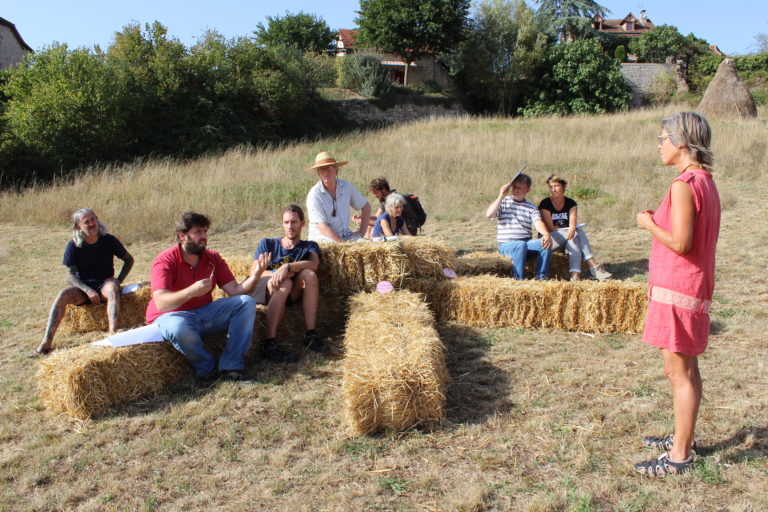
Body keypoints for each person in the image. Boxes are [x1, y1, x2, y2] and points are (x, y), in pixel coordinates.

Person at [634, 112, 720, 477]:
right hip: (691, 286)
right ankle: (682, 438)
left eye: (663, 137)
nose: (659, 144)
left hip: (678, 288)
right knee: (687, 369)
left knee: (678, 373)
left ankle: (680, 456)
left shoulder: (683, 184)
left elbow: (682, 243)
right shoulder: (705, 181)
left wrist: (649, 223)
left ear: (682, 142)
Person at [146, 212, 261, 385]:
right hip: (171, 316)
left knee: (246, 303)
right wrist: (191, 291)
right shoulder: (165, 260)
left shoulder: (212, 258)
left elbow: (235, 291)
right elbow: (161, 303)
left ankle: (231, 366)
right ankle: (206, 371)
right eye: (198, 232)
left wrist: (256, 275)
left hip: (203, 313)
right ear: (182, 235)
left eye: (205, 232)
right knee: (179, 327)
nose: (204, 237)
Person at [31, 209, 134, 357]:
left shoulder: (109, 240)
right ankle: (45, 343)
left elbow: (129, 260)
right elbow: (70, 276)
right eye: (87, 222)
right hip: (83, 289)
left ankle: (113, 334)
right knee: (63, 294)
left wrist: (118, 281)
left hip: (104, 285)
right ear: (78, 227)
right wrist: (87, 290)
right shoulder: (73, 245)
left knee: (112, 288)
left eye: (93, 219)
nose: (92, 224)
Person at [252, 205, 327, 361]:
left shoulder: (309, 246)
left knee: (310, 275)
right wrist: (276, 274)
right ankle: (269, 343)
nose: (290, 226)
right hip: (268, 288)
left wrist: (288, 267)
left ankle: (310, 335)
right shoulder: (268, 244)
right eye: (286, 222)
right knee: (284, 282)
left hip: (291, 291)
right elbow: (255, 270)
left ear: (302, 223)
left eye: (293, 222)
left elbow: (313, 264)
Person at [539, 174, 613, 281]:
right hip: (550, 240)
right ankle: (594, 267)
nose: (553, 189)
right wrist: (571, 229)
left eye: (556, 186)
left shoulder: (571, 203)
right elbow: (551, 227)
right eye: (551, 187)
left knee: (575, 233)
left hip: (567, 239)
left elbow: (573, 223)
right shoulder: (545, 203)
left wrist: (572, 229)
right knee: (576, 232)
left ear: (563, 187)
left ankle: (575, 276)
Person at [486, 173, 552, 280]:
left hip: (526, 243)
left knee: (545, 243)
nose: (516, 190)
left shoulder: (531, 207)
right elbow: (489, 215)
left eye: (520, 188)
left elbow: (538, 222)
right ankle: (519, 280)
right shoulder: (503, 202)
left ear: (527, 190)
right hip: (506, 245)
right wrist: (500, 196)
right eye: (515, 187)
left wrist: (546, 234)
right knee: (520, 245)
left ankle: (541, 279)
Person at [306, 151, 370, 242]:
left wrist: (362, 232)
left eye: (329, 168)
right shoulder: (314, 195)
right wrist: (343, 244)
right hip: (322, 239)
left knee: (365, 244)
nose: (325, 172)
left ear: (336, 169)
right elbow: (322, 227)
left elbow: (366, 206)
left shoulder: (347, 186)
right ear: (318, 173)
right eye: (321, 169)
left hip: (346, 236)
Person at [359, 177, 424, 237]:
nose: (375, 195)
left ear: (383, 190)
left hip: (405, 229)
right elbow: (377, 217)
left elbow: (379, 220)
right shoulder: (394, 197)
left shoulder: (392, 201)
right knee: (370, 227)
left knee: (370, 228)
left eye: (376, 192)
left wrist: (363, 222)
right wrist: (363, 217)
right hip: (402, 228)